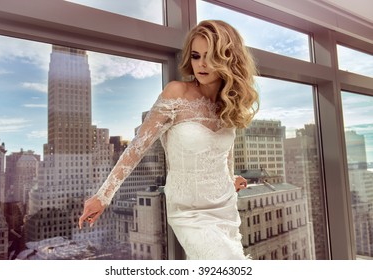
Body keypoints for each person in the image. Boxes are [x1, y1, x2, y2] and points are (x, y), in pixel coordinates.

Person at [79, 19, 259, 260]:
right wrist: (103, 196)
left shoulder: (226, 105)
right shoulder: (176, 93)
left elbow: (224, 153)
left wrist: (230, 178)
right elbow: (136, 148)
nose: (202, 64)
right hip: (189, 212)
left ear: (228, 59)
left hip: (224, 206)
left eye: (211, 56)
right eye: (196, 56)